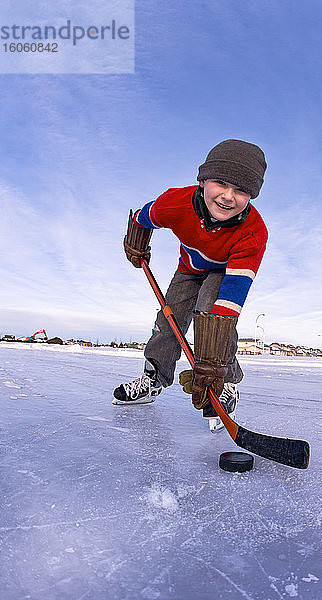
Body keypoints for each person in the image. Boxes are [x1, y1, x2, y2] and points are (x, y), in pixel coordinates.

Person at [113, 139, 268, 432]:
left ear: (252, 196)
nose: (227, 196)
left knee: (212, 317)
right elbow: (143, 217)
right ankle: (154, 377)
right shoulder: (176, 203)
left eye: (241, 190)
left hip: (224, 273)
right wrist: (137, 240)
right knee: (168, 321)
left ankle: (227, 383)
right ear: (202, 180)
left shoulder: (253, 233)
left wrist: (212, 364)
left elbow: (228, 305)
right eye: (220, 183)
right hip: (189, 270)